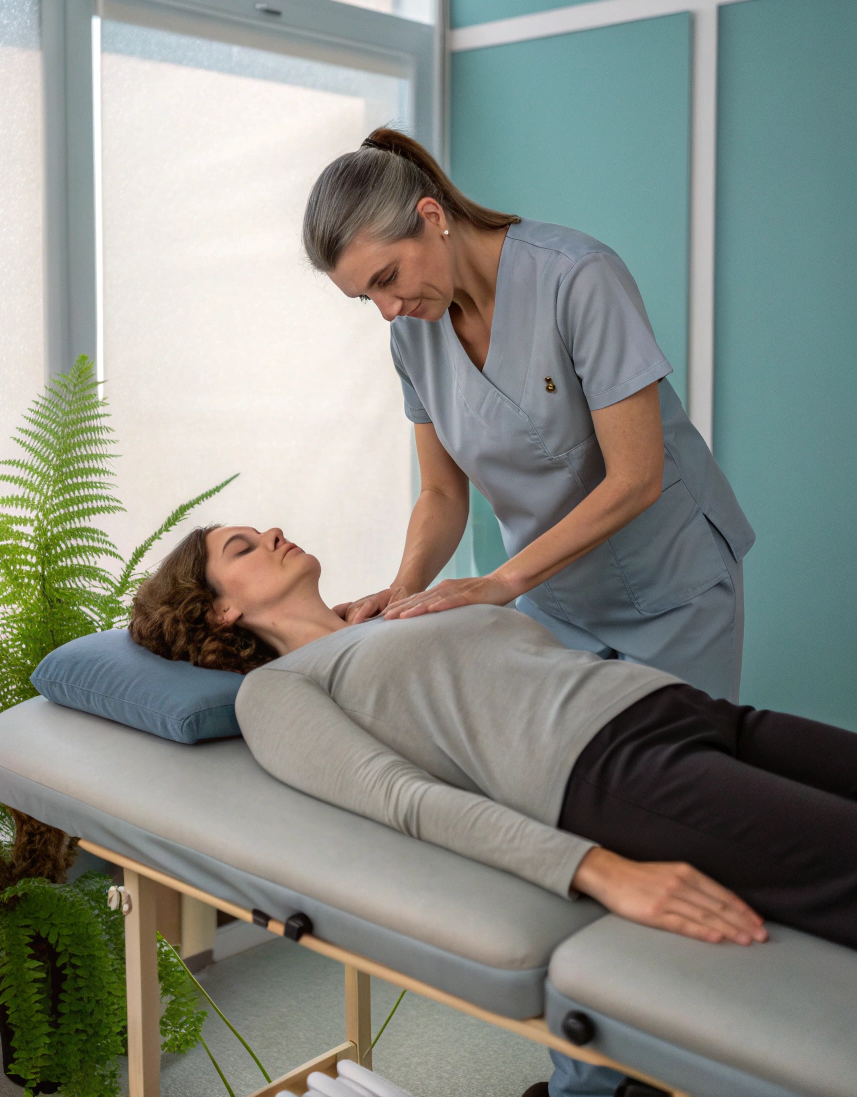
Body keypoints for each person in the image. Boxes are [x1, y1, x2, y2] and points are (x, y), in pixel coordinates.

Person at [303, 131, 757, 1097]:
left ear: (431, 215)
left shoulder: (576, 276)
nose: (388, 306)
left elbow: (635, 476)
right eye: (365, 298)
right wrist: (401, 587)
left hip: (668, 584)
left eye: (388, 276)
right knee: (565, 839)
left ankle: (682, 1062)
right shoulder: (412, 331)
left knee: (671, 825)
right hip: (552, 601)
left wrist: (501, 584)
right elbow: (442, 497)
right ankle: (589, 1080)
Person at [129, 523, 857, 960]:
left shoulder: (392, 613)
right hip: (612, 773)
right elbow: (403, 799)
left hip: (673, 704)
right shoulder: (277, 690)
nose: (274, 531)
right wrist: (599, 869)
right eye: (245, 545)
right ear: (222, 609)